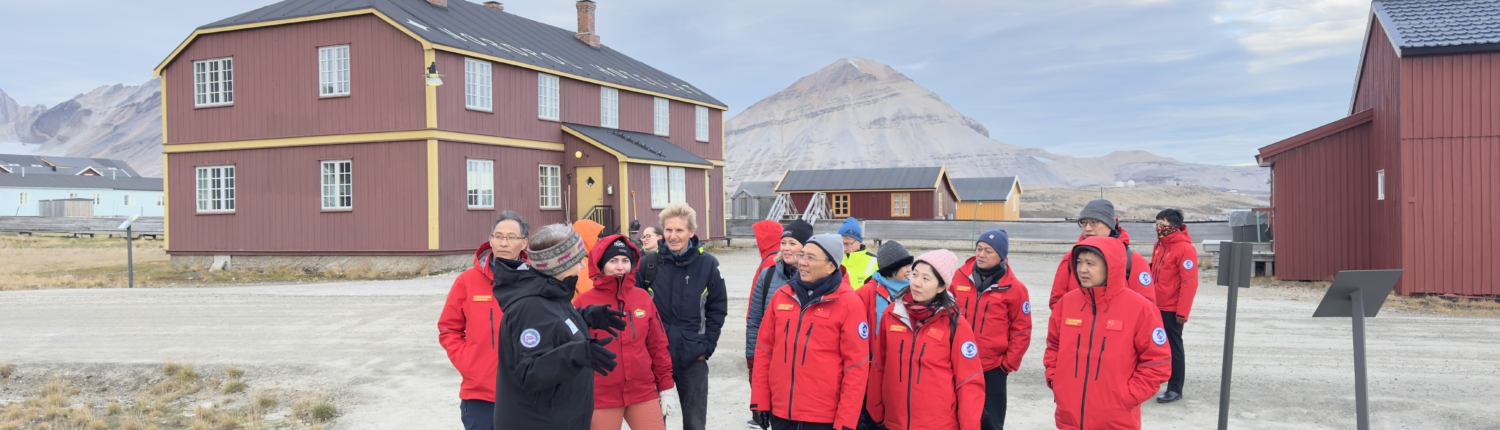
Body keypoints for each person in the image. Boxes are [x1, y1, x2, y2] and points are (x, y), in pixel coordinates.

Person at [493, 224, 627, 430]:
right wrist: (576, 353)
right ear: (559, 266)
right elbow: (528, 373)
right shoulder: (530, 307)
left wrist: (585, 317)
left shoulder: (554, 295)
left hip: (560, 420)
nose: (582, 266)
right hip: (539, 423)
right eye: (577, 260)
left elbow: (553, 326)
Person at [1043, 236, 1171, 430]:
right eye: (1079, 262)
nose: (1082, 269)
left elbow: (1157, 362)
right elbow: (1053, 346)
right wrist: (1056, 381)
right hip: (1069, 416)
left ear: (1111, 266)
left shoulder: (1140, 308)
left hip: (1115, 419)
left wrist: (1128, 396)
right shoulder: (1067, 303)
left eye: (1090, 263)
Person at [750, 233, 869, 430]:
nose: (802, 263)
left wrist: (847, 419)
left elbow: (856, 366)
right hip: (782, 413)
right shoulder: (782, 297)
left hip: (823, 417)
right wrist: (760, 399)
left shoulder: (850, 304)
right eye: (802, 255)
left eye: (811, 258)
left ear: (832, 266)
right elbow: (764, 350)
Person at [867, 250, 985, 430]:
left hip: (938, 424)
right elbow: (879, 365)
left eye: (926, 278)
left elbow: (968, 381)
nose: (916, 283)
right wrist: (875, 408)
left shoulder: (955, 324)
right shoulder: (892, 314)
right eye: (914, 275)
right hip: (894, 422)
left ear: (941, 287)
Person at [639, 203, 728, 430]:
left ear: (691, 232)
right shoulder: (648, 264)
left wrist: (706, 346)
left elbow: (717, 307)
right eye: (668, 230)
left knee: (695, 425)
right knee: (653, 424)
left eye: (679, 230)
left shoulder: (707, 265)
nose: (673, 236)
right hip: (655, 359)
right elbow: (635, 310)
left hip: (692, 359)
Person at [439, 211, 528, 430]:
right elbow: (449, 328)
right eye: (498, 236)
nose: (503, 242)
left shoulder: (536, 281)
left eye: (511, 237)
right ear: (490, 240)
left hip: (527, 392)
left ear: (524, 243)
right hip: (481, 394)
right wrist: (469, 364)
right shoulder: (467, 281)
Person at [575, 235, 675, 430]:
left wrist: (666, 387)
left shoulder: (642, 298)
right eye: (613, 261)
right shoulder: (584, 303)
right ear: (600, 265)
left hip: (642, 391)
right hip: (601, 394)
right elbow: (571, 350)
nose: (620, 267)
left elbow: (658, 345)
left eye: (625, 261)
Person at [948, 230, 1030, 430]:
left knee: (990, 422)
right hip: (956, 363)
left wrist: (1006, 365)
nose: (981, 254)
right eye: (979, 249)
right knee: (955, 417)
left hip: (992, 367)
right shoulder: (958, 278)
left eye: (988, 251)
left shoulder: (1015, 288)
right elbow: (945, 316)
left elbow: (1022, 330)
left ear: (1002, 256)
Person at [746, 220, 813, 428]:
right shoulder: (768, 276)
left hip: (806, 365)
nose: (785, 248)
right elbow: (755, 320)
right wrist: (752, 358)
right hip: (774, 361)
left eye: (792, 243)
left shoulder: (815, 278)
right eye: (783, 242)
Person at [1048, 200, 1155, 310]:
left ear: (1110, 225)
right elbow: (1057, 302)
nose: (1088, 228)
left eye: (1094, 222)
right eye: (1084, 222)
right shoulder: (1071, 258)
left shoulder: (1132, 261)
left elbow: (1146, 307)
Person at [1149, 209, 1199, 404]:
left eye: (1162, 224)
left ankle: (1175, 387)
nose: (1158, 228)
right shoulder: (1160, 245)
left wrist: (1182, 312)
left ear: (1174, 227)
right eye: (1157, 224)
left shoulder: (1185, 249)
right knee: (1153, 344)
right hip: (1154, 305)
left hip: (1171, 308)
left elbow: (1190, 282)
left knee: (1173, 347)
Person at [839, 217, 878, 289]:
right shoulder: (835, 260)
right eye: (841, 244)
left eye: (847, 244)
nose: (844, 248)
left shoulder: (876, 262)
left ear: (859, 241)